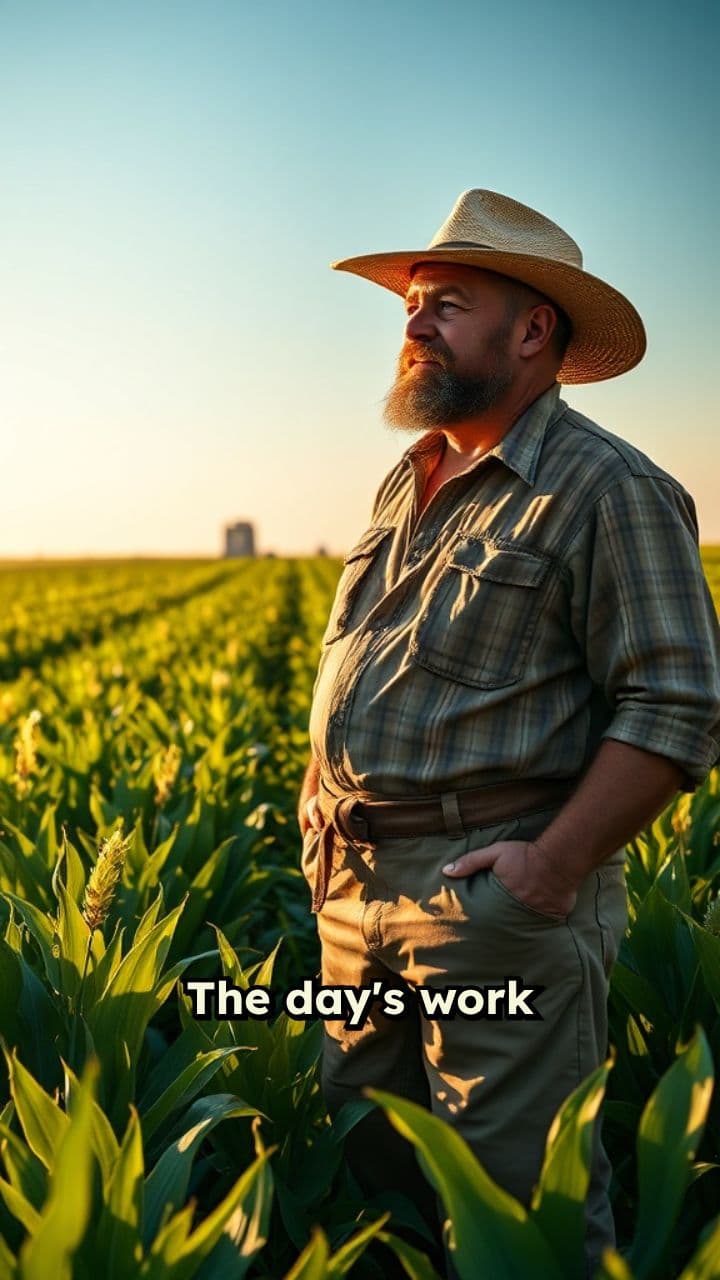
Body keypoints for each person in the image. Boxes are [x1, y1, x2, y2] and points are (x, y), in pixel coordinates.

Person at [296, 189, 720, 1278]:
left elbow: (678, 701)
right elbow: (365, 660)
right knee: (370, 1195)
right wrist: (319, 794)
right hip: (356, 891)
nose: (414, 323)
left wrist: (549, 864)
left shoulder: (608, 487)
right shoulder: (412, 477)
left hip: (490, 899)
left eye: (447, 302)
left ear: (531, 331)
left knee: (518, 1221)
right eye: (413, 305)